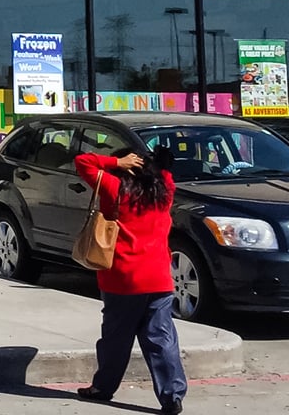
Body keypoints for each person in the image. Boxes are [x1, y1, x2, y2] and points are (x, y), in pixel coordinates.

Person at [74, 145, 187, 414]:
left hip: (122, 278)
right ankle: (172, 395)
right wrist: (153, 161)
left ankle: (103, 387)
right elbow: (165, 172)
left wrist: (116, 162)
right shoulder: (165, 190)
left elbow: (83, 161)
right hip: (159, 278)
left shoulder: (114, 188)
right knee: (161, 338)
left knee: (116, 339)